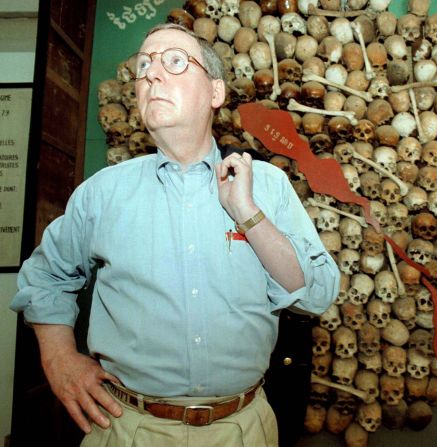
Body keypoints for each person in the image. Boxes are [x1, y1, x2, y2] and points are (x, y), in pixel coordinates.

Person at [11, 23, 339, 446]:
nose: (152, 74)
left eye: (175, 61)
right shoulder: (102, 193)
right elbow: (46, 276)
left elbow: (316, 295)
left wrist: (247, 212)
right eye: (144, 65)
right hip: (127, 429)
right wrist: (58, 358)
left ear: (215, 93)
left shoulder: (268, 186)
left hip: (242, 430)